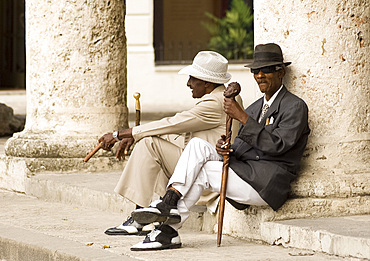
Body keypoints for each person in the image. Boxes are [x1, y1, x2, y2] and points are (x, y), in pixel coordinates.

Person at [129, 43, 311, 251]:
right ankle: (169, 212)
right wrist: (227, 149)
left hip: (267, 183)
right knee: (199, 146)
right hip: (246, 173)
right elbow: (242, 145)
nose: (260, 75)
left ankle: (168, 217)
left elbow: (278, 145)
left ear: (281, 72)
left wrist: (241, 116)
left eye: (267, 70)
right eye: (255, 71)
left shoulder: (294, 106)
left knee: (202, 172)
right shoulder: (255, 107)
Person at [98, 51, 242, 236]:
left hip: (204, 176)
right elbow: (178, 129)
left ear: (206, 83)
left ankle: (140, 220)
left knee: (148, 144)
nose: (188, 83)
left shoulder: (216, 103)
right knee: (153, 142)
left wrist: (122, 134)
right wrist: (136, 134)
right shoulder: (221, 96)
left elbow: (174, 123)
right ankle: (149, 213)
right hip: (203, 165)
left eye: (192, 78)